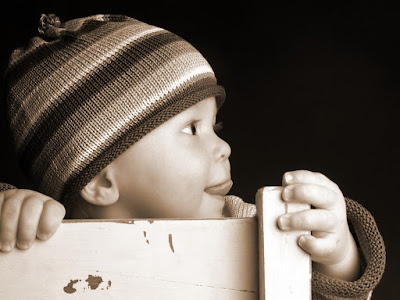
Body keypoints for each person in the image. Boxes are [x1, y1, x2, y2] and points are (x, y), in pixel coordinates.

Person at [0, 13, 385, 299]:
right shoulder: (37, 240)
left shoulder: (251, 229)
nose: (225, 147)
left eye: (214, 128)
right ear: (101, 180)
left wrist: (335, 256)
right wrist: (8, 212)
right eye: (191, 129)